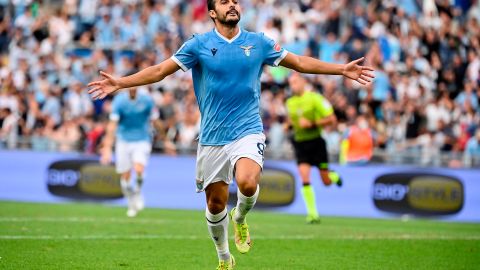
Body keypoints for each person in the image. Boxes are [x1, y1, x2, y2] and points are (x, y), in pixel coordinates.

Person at [88, 0, 374, 268]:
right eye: (224, 1)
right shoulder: (198, 45)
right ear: (212, 12)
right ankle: (224, 256)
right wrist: (121, 83)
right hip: (212, 136)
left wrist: (341, 70)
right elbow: (161, 70)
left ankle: (241, 216)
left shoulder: (258, 42)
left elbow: (299, 63)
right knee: (215, 204)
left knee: (247, 183)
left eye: (235, 0)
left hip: (248, 129)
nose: (233, 5)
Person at [285, 72, 342, 224]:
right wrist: (288, 125)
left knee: (326, 182)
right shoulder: (290, 102)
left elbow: (332, 119)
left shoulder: (315, 98)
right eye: (291, 83)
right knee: (304, 176)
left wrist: (312, 124)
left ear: (303, 82)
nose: (293, 86)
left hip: (316, 142)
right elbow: (291, 120)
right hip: (300, 144)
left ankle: (333, 176)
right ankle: (313, 214)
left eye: (295, 82)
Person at [100, 85, 159, 217]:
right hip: (123, 140)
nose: (133, 87)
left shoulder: (147, 100)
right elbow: (112, 125)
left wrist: (165, 139)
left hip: (142, 139)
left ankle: (137, 192)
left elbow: (155, 120)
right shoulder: (119, 101)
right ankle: (131, 202)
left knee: (139, 170)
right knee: (126, 178)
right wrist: (107, 147)